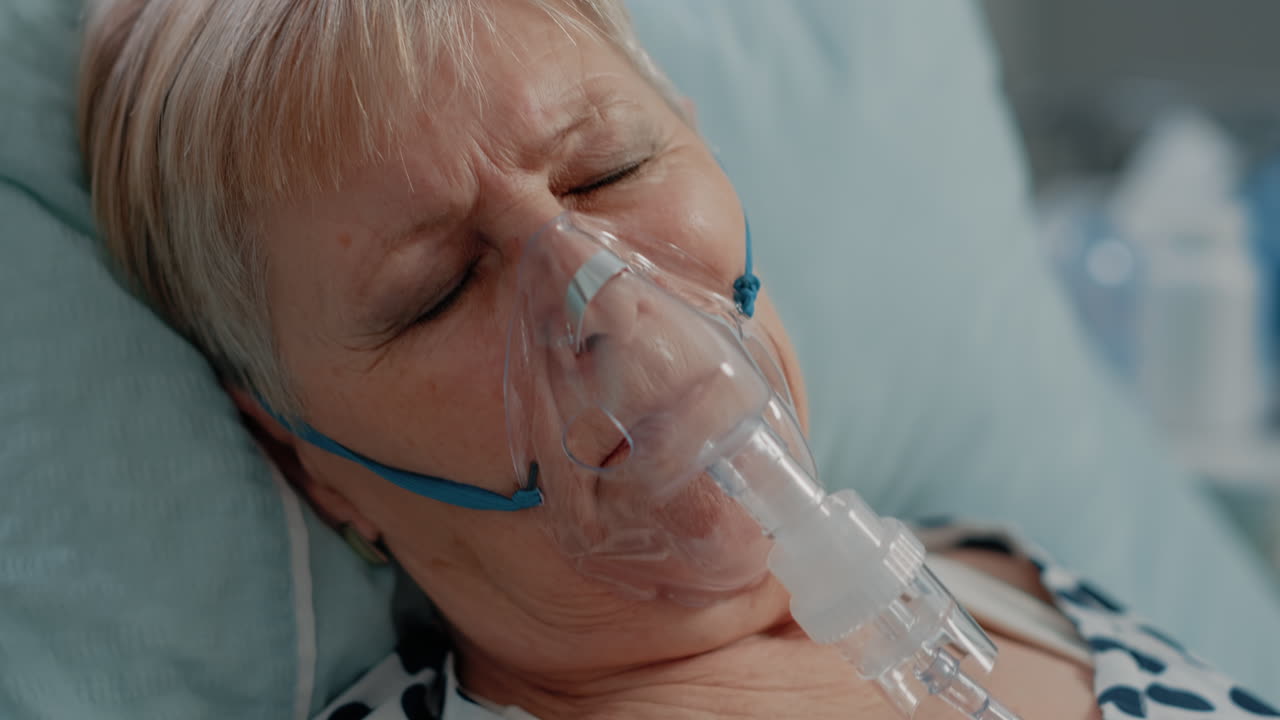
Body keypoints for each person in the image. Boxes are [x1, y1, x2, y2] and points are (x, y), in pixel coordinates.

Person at [77, 1, 1275, 718]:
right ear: (308, 465)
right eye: (439, 289)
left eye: (607, 172)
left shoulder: (997, 578)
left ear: (698, 145)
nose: (597, 293)